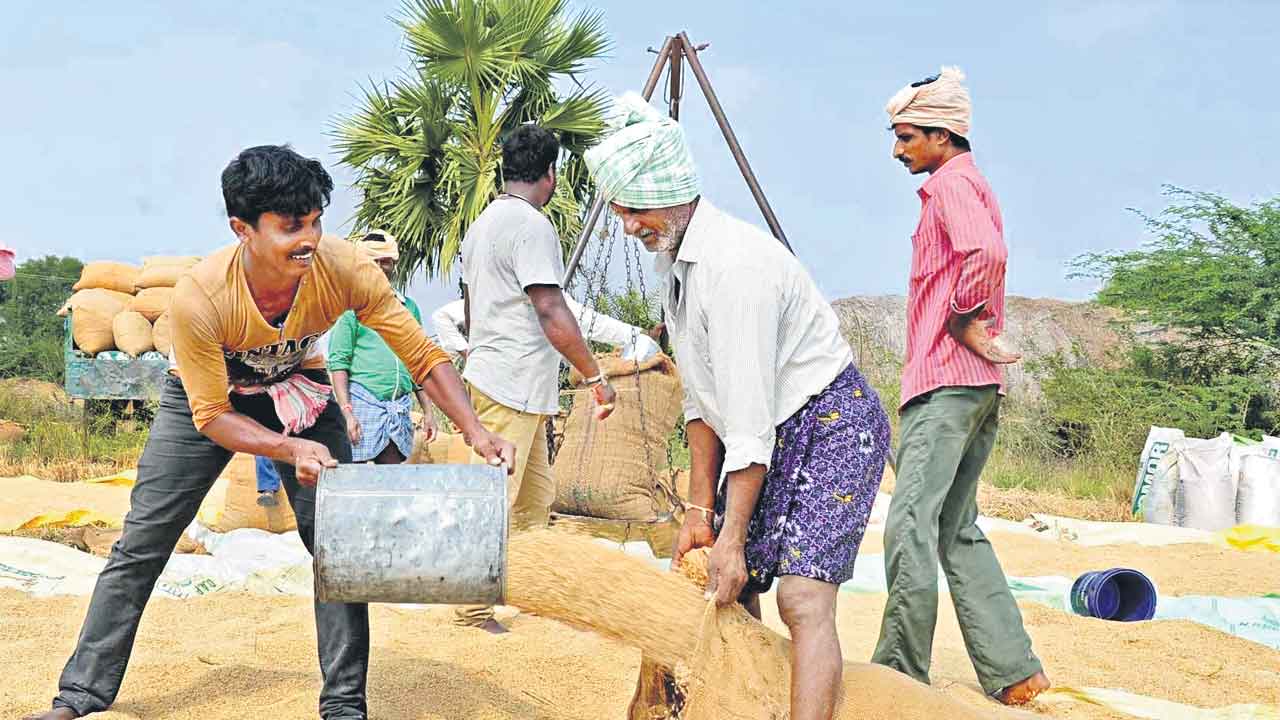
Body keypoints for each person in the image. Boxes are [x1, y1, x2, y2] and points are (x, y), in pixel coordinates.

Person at [24, 144, 514, 720]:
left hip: (299, 391)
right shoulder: (202, 297)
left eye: (314, 222)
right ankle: (79, 696)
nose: (308, 239)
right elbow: (211, 417)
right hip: (207, 402)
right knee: (143, 542)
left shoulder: (346, 268)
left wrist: (476, 431)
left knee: (337, 543)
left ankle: (344, 706)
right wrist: (287, 449)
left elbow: (422, 355)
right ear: (243, 229)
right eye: (289, 227)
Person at [584, 93, 891, 720]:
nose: (628, 227)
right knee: (730, 584)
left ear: (670, 192)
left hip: (830, 420)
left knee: (803, 600)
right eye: (619, 213)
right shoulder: (677, 262)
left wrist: (731, 535)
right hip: (764, 426)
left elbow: (748, 424)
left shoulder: (737, 270)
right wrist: (701, 511)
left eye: (633, 210)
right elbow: (704, 403)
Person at [869, 67, 1050, 706]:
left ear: (942, 137)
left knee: (908, 523)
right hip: (974, 386)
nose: (898, 150)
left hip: (945, 384)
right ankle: (1015, 670)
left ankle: (898, 672)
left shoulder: (951, 186)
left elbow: (987, 256)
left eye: (906, 137)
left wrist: (959, 317)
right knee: (955, 525)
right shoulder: (967, 184)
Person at [455, 123, 618, 634]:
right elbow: (550, 306)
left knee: (534, 499)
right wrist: (595, 375)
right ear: (551, 175)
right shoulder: (530, 225)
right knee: (496, 500)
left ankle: (521, 590)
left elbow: (469, 306)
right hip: (511, 382)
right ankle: (471, 607)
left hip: (505, 378)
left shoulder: (482, 224)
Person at [329, 230, 439, 465]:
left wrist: (428, 412)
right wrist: (347, 413)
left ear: (393, 265)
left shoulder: (408, 308)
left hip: (398, 407)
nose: (379, 267)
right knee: (357, 482)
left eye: (385, 262)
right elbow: (338, 363)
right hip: (362, 404)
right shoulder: (349, 309)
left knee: (390, 482)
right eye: (373, 262)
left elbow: (418, 364)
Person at [430, 296, 661, 363]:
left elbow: (589, 322)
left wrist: (636, 335)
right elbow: (441, 316)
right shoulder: (500, 297)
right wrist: (467, 352)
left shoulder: (551, 300)